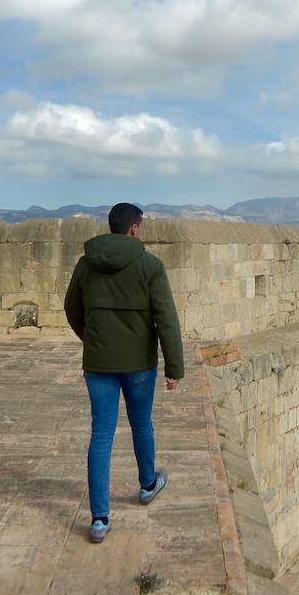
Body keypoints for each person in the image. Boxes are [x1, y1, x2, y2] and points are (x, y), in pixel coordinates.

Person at [64, 202, 185, 543]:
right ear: (134, 229)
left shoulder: (87, 265)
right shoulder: (150, 266)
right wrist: (174, 367)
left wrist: (91, 339)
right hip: (139, 365)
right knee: (141, 422)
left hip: (99, 363)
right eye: (141, 227)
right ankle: (147, 484)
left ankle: (100, 519)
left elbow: (72, 308)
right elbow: (166, 319)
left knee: (101, 434)